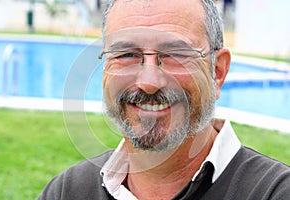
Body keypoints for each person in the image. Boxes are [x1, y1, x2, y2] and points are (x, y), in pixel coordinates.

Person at [38, 0, 290, 199]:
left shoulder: (275, 193)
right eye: (126, 54)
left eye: (175, 54)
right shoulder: (67, 191)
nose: (148, 82)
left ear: (217, 72)